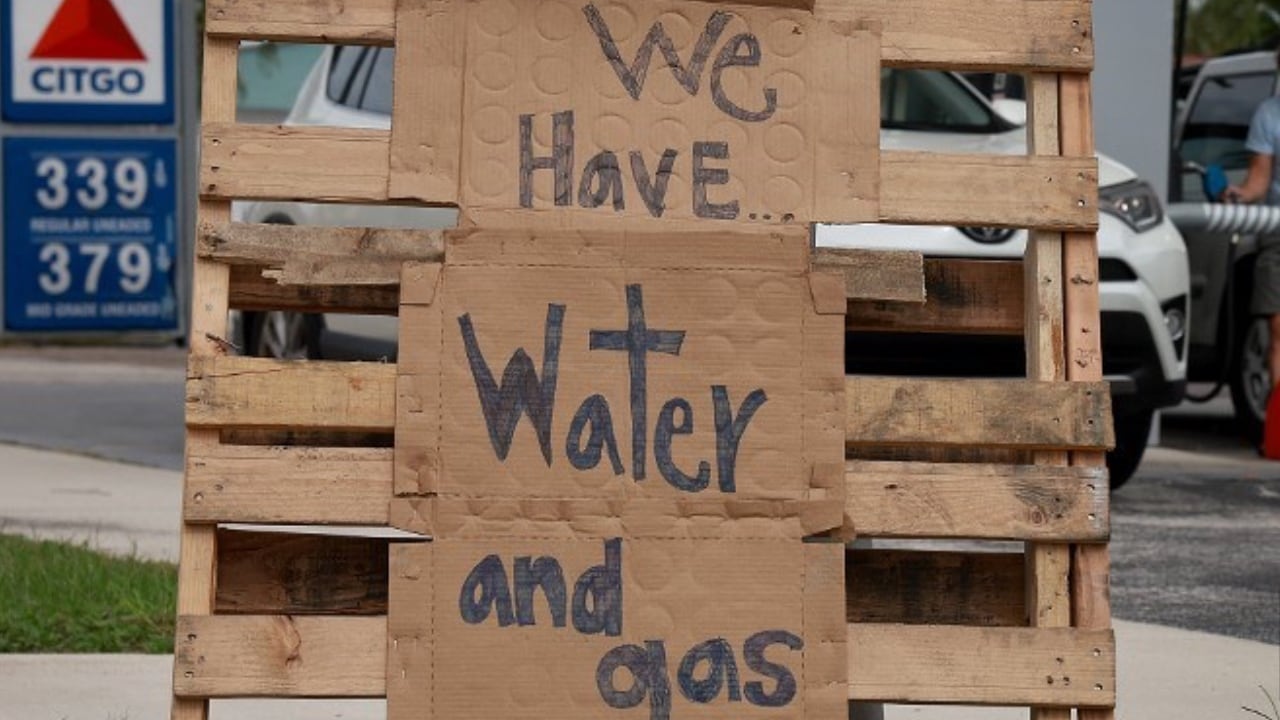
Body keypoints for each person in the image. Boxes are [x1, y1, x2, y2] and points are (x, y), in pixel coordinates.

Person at [1223, 54, 1280, 393]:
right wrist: (1238, 195)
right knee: (1278, 327)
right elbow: (1258, 181)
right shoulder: (1269, 114)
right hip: (1277, 230)